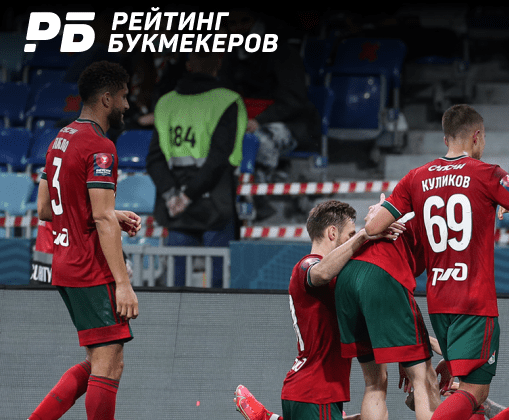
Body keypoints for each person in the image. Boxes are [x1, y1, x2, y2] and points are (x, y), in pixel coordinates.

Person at [363, 104, 509, 420]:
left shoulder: (415, 177)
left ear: (446, 139)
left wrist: (385, 220)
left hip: (438, 300)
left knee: (464, 392)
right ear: (477, 136)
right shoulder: (487, 173)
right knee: (475, 391)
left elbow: (373, 227)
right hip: (474, 301)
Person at [29, 60, 141, 420]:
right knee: (109, 364)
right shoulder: (100, 145)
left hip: (64, 265)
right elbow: (101, 218)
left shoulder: (60, 138)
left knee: (99, 361)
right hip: (90, 269)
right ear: (106, 99)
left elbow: (45, 208)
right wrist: (123, 284)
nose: (126, 105)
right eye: (123, 97)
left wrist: (109, 211)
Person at [234, 199, 402, 420]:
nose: (354, 239)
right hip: (315, 391)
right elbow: (321, 273)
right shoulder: (308, 265)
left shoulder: (337, 276)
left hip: (312, 393)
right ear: (332, 233)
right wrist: (364, 234)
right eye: (350, 234)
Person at [146, 50, 247, 288]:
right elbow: (219, 158)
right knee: (218, 281)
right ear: (218, 64)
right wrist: (188, 196)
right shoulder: (227, 101)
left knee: (176, 281)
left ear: (188, 65)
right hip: (215, 200)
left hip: (176, 205)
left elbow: (154, 159)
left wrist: (173, 196)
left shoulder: (166, 103)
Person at [335, 206, 441, 420]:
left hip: (347, 276)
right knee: (423, 379)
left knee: (374, 383)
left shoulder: (393, 208)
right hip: (382, 272)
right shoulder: (436, 209)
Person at [219, 7, 321, 181]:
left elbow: (293, 100)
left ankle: (258, 191)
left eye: (245, 21)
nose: (239, 28)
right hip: (246, 120)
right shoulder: (231, 56)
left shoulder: (284, 52)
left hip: (291, 124)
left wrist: (259, 120)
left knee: (256, 140)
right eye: (233, 23)